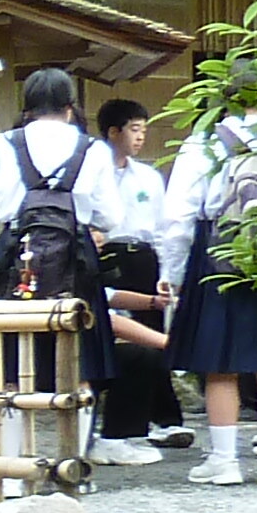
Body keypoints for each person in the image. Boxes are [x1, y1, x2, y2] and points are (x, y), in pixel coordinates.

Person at [154, 70, 257, 486]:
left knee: (219, 364)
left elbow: (177, 217)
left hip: (218, 255)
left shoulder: (205, 143)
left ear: (226, 99)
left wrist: (171, 273)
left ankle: (224, 461)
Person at [0, 67, 130, 439]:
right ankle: (75, 461)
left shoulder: (3, 143)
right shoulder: (93, 149)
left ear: (27, 107)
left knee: (10, 368)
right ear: (70, 107)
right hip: (75, 259)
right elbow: (111, 216)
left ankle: (11, 469)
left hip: (16, 257)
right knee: (83, 366)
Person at [91, 99, 190, 453]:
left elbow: (163, 229)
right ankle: (129, 422)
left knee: (151, 333)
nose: (140, 137)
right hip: (106, 251)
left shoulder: (147, 176)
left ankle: (166, 419)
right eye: (134, 129)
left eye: (144, 130)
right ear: (113, 131)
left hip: (143, 255)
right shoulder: (91, 170)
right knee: (116, 334)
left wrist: (167, 271)